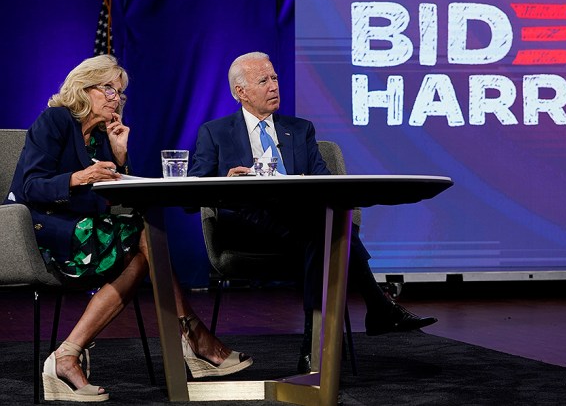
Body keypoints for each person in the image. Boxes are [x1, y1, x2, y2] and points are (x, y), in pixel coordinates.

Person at [4, 55, 252, 402]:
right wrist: (80, 177)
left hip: (85, 230)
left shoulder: (106, 135)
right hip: (43, 232)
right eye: (107, 89)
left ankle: (67, 355)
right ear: (83, 89)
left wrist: (120, 156)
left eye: (120, 93)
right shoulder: (55, 121)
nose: (115, 98)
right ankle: (194, 335)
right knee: (146, 236)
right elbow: (30, 187)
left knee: (142, 246)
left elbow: (120, 198)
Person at [188, 51, 437, 373]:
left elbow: (326, 183)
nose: (274, 86)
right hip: (247, 227)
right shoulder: (215, 132)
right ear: (241, 92)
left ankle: (314, 347)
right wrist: (226, 181)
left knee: (321, 231)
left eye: (275, 78)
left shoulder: (300, 129)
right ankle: (378, 305)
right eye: (263, 81)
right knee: (330, 231)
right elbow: (193, 190)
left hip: (301, 224)